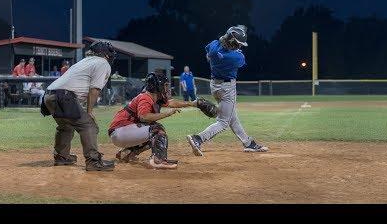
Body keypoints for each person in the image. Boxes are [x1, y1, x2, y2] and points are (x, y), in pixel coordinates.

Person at [186, 25, 268, 156]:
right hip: (227, 89)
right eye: (238, 43)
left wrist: (224, 39)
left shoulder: (214, 46)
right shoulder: (236, 57)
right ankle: (198, 138)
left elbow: (210, 52)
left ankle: (248, 143)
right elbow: (241, 60)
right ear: (231, 41)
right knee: (223, 122)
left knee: (232, 118)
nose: (239, 46)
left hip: (214, 86)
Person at [43, 41, 116, 171]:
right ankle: (93, 161)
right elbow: (94, 90)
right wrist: (90, 111)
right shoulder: (103, 63)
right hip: (64, 96)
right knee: (89, 125)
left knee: (65, 126)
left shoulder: (85, 61)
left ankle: (62, 157)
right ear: (105, 53)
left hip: (48, 96)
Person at [108, 72, 198, 169]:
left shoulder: (154, 97)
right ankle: (158, 160)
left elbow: (172, 103)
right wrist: (167, 114)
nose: (167, 88)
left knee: (153, 134)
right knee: (157, 129)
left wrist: (192, 103)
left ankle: (127, 153)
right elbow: (143, 116)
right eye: (165, 85)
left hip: (122, 132)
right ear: (157, 86)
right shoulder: (145, 97)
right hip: (120, 131)